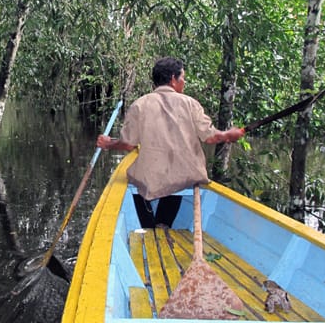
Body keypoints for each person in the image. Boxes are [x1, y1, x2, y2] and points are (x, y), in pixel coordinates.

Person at [97, 57, 245, 229]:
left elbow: (128, 145)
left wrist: (108, 144)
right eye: (183, 77)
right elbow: (211, 137)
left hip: (151, 179)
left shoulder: (139, 105)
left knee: (135, 179)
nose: (184, 82)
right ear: (173, 79)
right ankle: (163, 223)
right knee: (181, 177)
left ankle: (149, 225)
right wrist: (228, 134)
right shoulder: (190, 104)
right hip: (182, 178)